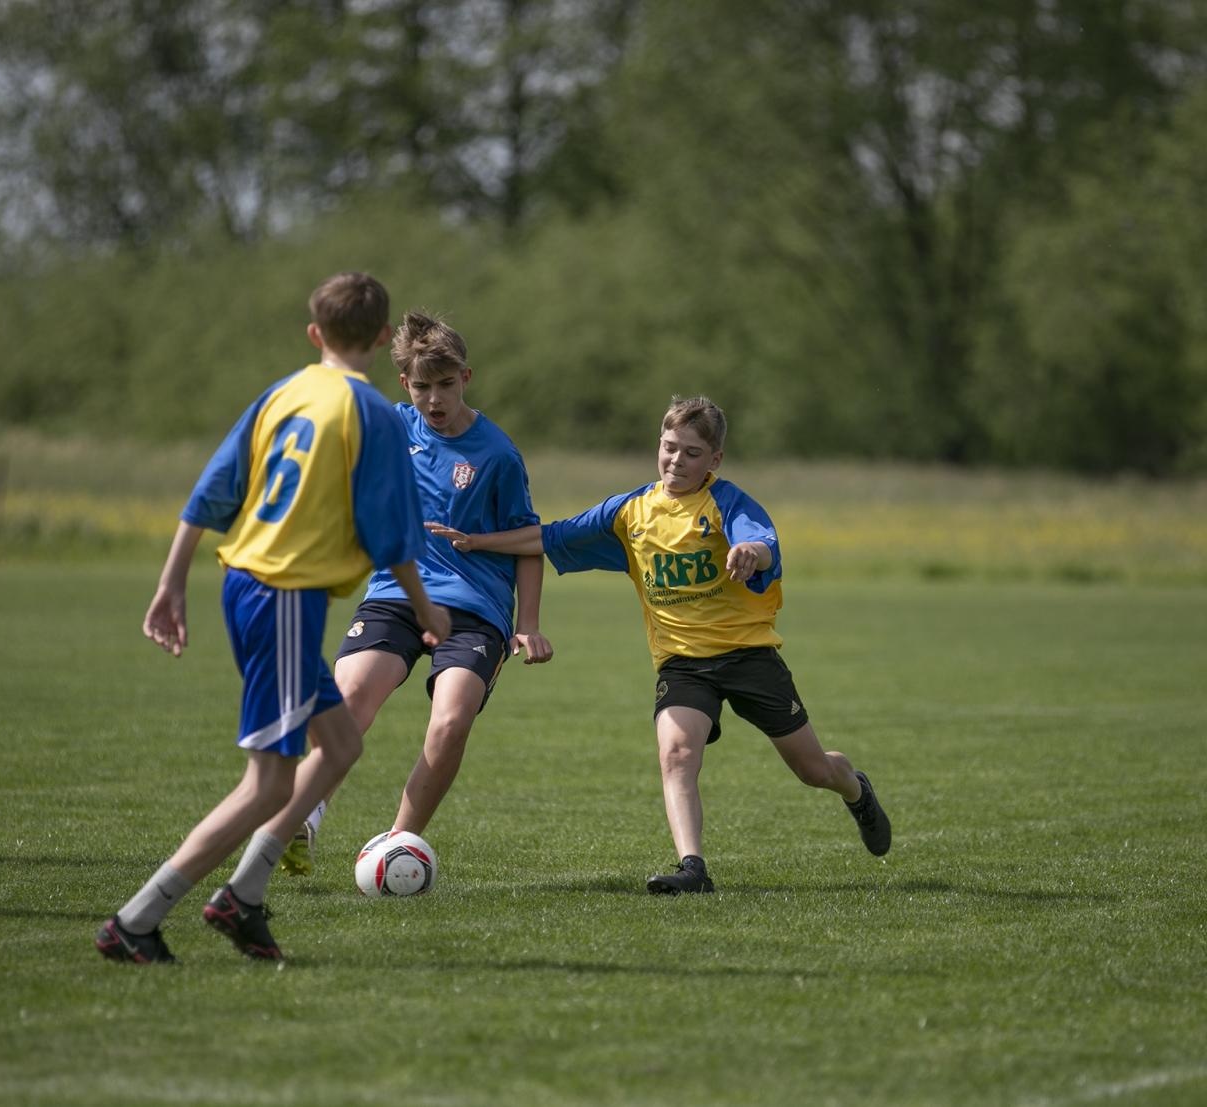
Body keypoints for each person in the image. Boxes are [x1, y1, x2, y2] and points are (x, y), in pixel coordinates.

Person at [96, 272, 451, 965]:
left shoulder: (285, 392)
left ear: (315, 334)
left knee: (341, 745)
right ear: (384, 338)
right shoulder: (371, 412)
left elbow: (211, 490)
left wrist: (171, 581)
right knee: (267, 783)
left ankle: (245, 896)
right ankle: (137, 918)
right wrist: (426, 605)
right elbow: (391, 532)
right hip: (284, 595)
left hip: (246, 582)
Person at [427, 395, 891, 895]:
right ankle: (693, 867)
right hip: (682, 663)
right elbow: (550, 537)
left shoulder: (726, 503)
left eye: (692, 453)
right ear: (659, 445)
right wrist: (477, 542)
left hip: (749, 656)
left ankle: (854, 788)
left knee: (812, 769)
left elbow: (761, 542)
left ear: (714, 460)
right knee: (676, 753)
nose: (677, 460)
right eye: (670, 447)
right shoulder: (632, 511)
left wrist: (748, 552)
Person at [277, 310, 552, 878]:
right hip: (397, 594)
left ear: (466, 378)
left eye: (446, 385)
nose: (435, 399)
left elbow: (531, 541)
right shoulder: (391, 429)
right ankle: (304, 819)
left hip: (477, 609)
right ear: (404, 384)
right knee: (349, 695)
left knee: (450, 721)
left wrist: (528, 621)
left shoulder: (497, 454)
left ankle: (396, 848)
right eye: (422, 387)